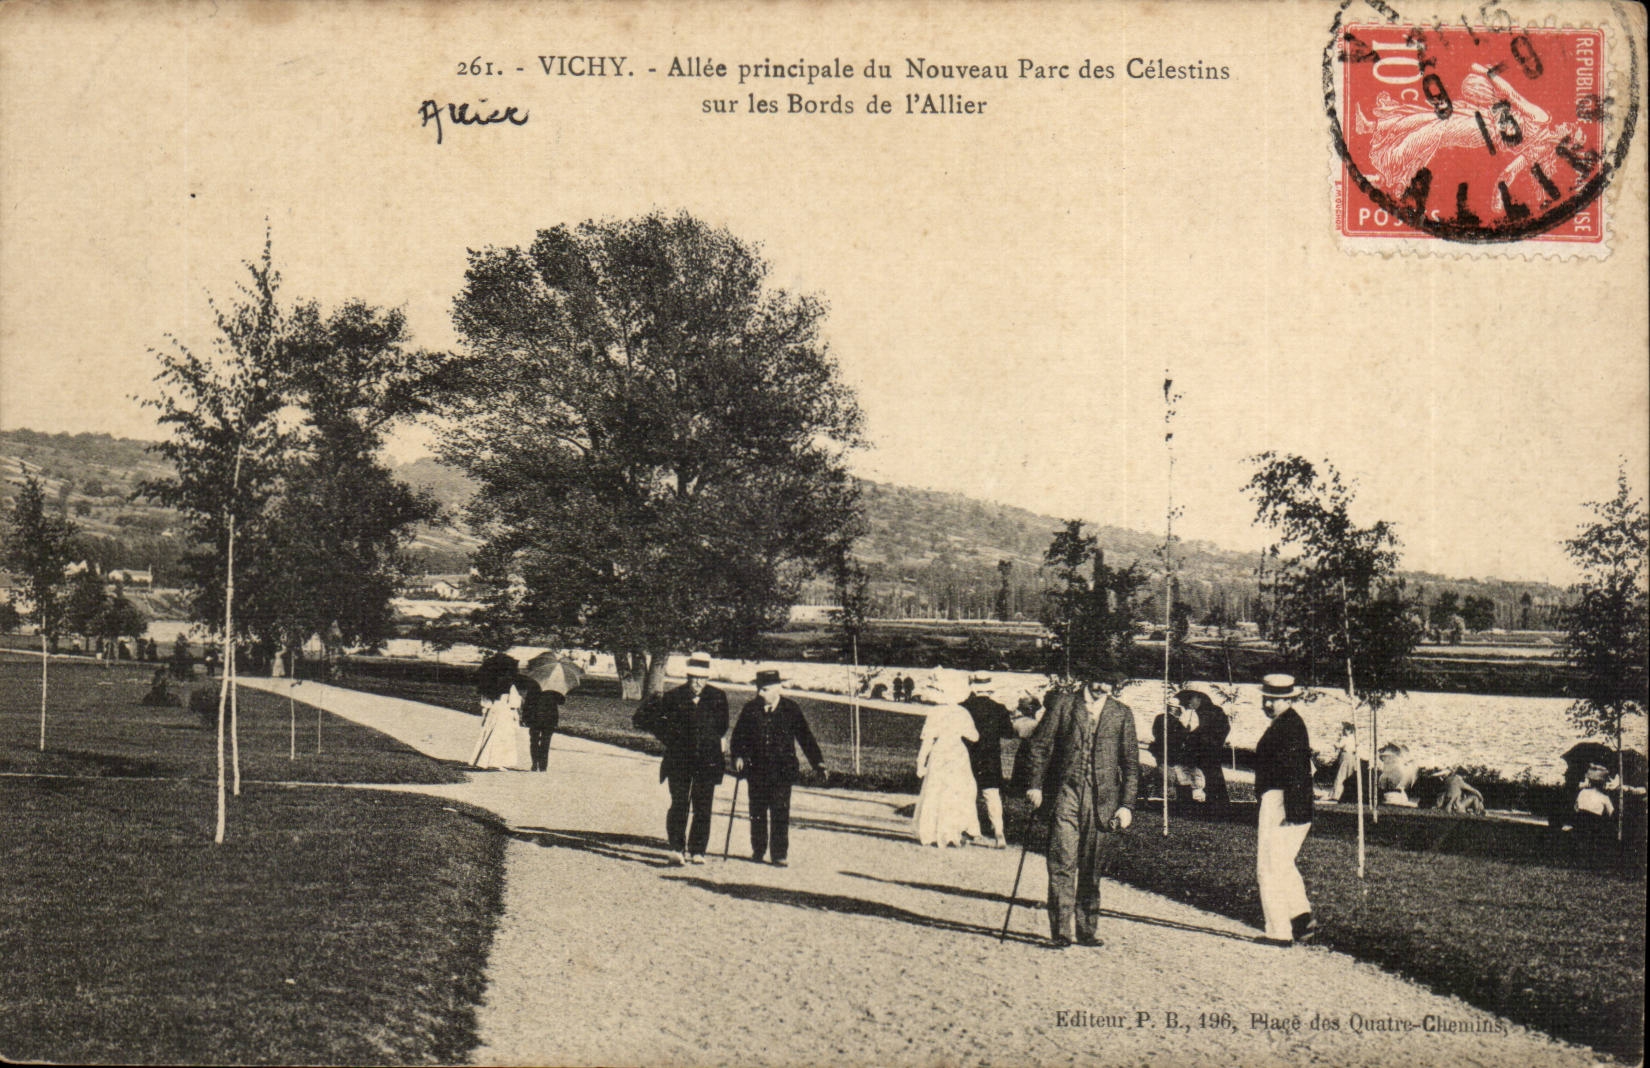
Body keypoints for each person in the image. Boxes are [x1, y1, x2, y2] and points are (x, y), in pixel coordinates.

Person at [1023, 677, 1139, 948]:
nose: (1102, 688)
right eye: (1099, 681)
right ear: (1088, 678)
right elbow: (1039, 746)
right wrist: (1035, 786)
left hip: (1101, 802)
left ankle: (1087, 929)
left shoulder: (1121, 713)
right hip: (1065, 794)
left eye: (1109, 684)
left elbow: (1131, 765)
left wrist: (1126, 805)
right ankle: (1061, 932)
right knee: (1061, 862)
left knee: (1091, 867)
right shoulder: (1064, 705)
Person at [634, 652, 729, 865]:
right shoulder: (674, 697)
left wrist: (708, 740)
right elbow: (658, 724)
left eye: (702, 678)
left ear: (708, 678)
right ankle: (677, 848)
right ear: (688, 677)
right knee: (679, 803)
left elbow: (722, 726)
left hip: (707, 760)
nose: (698, 683)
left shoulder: (718, 697)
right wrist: (673, 739)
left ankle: (698, 850)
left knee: (703, 805)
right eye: (694, 678)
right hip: (679, 759)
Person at [731, 669, 827, 867]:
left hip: (782, 771)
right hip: (756, 770)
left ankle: (779, 854)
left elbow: (805, 737)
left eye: (765, 689)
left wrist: (818, 763)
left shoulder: (791, 709)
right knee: (757, 811)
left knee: (780, 812)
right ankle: (758, 849)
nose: (760, 693)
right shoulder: (750, 709)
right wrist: (738, 755)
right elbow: (738, 736)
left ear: (778, 690)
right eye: (759, 688)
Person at [1253, 673, 1317, 946]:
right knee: (1281, 861)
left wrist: (1293, 813)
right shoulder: (1288, 724)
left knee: (1268, 866)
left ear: (1289, 700)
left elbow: (1297, 773)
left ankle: (1279, 931)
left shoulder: (1288, 727)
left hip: (1281, 801)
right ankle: (1301, 917)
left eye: (1275, 700)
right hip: (1284, 801)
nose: (1268, 704)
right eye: (1266, 699)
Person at [912, 672, 981, 847]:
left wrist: (920, 763)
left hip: (940, 751)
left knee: (935, 790)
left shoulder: (935, 712)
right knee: (956, 792)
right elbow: (974, 737)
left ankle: (931, 833)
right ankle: (952, 833)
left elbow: (927, 740)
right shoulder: (963, 712)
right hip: (957, 752)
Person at [961, 672, 1015, 847]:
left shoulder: (964, 707)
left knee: (968, 794)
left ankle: (972, 831)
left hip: (968, 756)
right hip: (991, 758)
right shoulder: (999, 708)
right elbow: (1008, 733)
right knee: (992, 795)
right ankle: (999, 832)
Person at [471, 651, 528, 770]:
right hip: (504, 711)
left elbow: (485, 702)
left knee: (489, 734)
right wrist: (520, 700)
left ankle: (483, 760)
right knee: (502, 737)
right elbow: (514, 703)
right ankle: (497, 762)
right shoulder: (509, 684)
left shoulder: (488, 684)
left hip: (493, 711)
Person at [1181, 687, 1230, 808]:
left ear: (1199, 699)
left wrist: (1214, 741)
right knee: (1205, 775)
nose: (1189, 703)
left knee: (1212, 775)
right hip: (1204, 749)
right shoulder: (1199, 712)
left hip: (1209, 749)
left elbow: (1220, 728)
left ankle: (1218, 804)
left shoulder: (1210, 711)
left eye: (1191, 699)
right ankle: (1212, 803)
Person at [1150, 698, 1199, 800]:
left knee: (1162, 769)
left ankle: (1161, 791)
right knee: (1170, 773)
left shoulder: (1159, 718)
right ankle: (1168, 794)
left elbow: (1154, 732)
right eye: (1175, 708)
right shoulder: (1176, 722)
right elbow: (1182, 735)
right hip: (1171, 752)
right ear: (1175, 709)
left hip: (1159, 750)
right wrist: (1188, 728)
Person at [520, 674, 564, 773]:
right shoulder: (555, 687)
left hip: (535, 717)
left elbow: (528, 702)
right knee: (545, 742)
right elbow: (561, 701)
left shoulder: (534, 684)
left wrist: (525, 717)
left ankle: (535, 763)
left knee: (534, 741)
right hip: (550, 718)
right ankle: (543, 765)